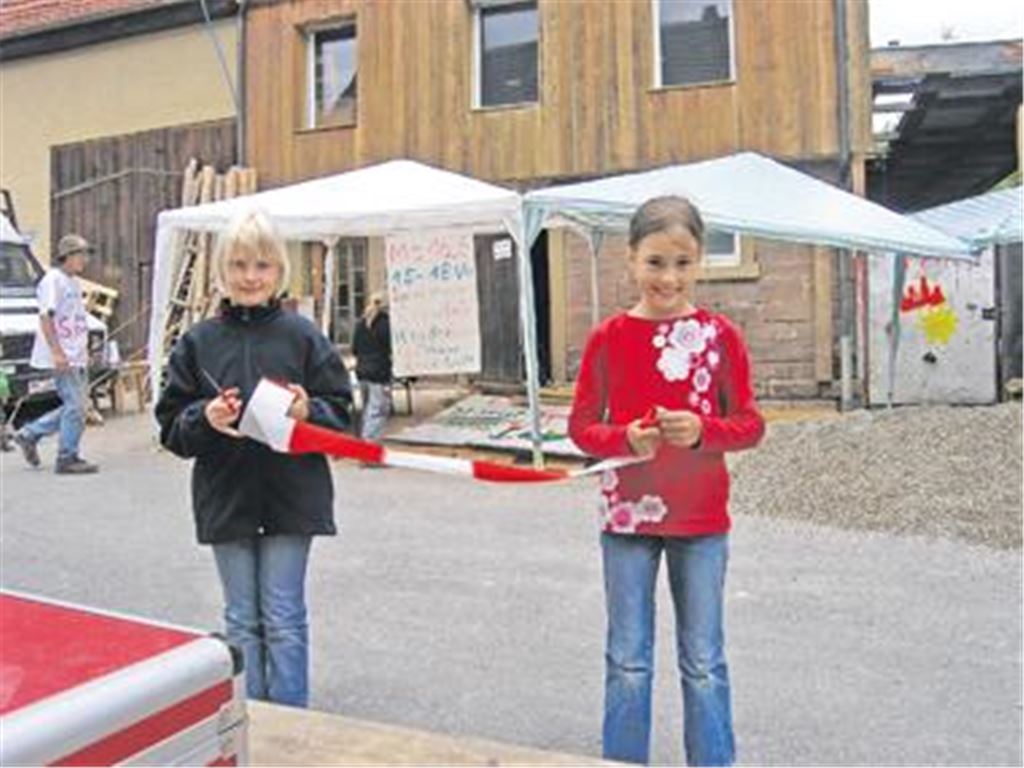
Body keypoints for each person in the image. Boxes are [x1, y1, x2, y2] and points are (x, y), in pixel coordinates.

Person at [568, 196, 765, 766]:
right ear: (630, 259)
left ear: (699, 261)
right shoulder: (608, 338)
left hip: (701, 520)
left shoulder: (720, 336)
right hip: (626, 517)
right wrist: (624, 439)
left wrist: (703, 430)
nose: (669, 278)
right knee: (628, 659)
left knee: (703, 661)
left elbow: (750, 425)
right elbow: (581, 428)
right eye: (655, 262)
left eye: (683, 263)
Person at [155, 210, 351, 708]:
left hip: (293, 498)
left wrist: (309, 410)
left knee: (284, 617)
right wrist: (205, 417)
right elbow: (171, 427)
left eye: (262, 265)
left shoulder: (303, 336)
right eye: (238, 264)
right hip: (227, 500)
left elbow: (342, 414)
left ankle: (291, 724)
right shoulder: (197, 342)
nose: (249, 276)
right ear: (221, 269)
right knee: (241, 619)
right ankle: (251, 723)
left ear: (279, 270)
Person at [13, 234, 99, 474]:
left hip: (75, 353)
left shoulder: (74, 283)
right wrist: (57, 352)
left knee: (77, 406)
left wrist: (84, 349)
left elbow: (74, 319)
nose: (85, 260)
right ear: (67, 256)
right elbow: (46, 318)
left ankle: (29, 434)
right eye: (81, 254)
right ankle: (66, 457)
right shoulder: (53, 281)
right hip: (63, 354)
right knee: (76, 406)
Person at [351, 291, 392, 443]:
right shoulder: (385, 324)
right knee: (377, 410)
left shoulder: (361, 323)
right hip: (379, 373)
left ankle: (366, 441)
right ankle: (368, 444)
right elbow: (390, 347)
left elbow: (354, 349)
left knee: (367, 409)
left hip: (362, 371)